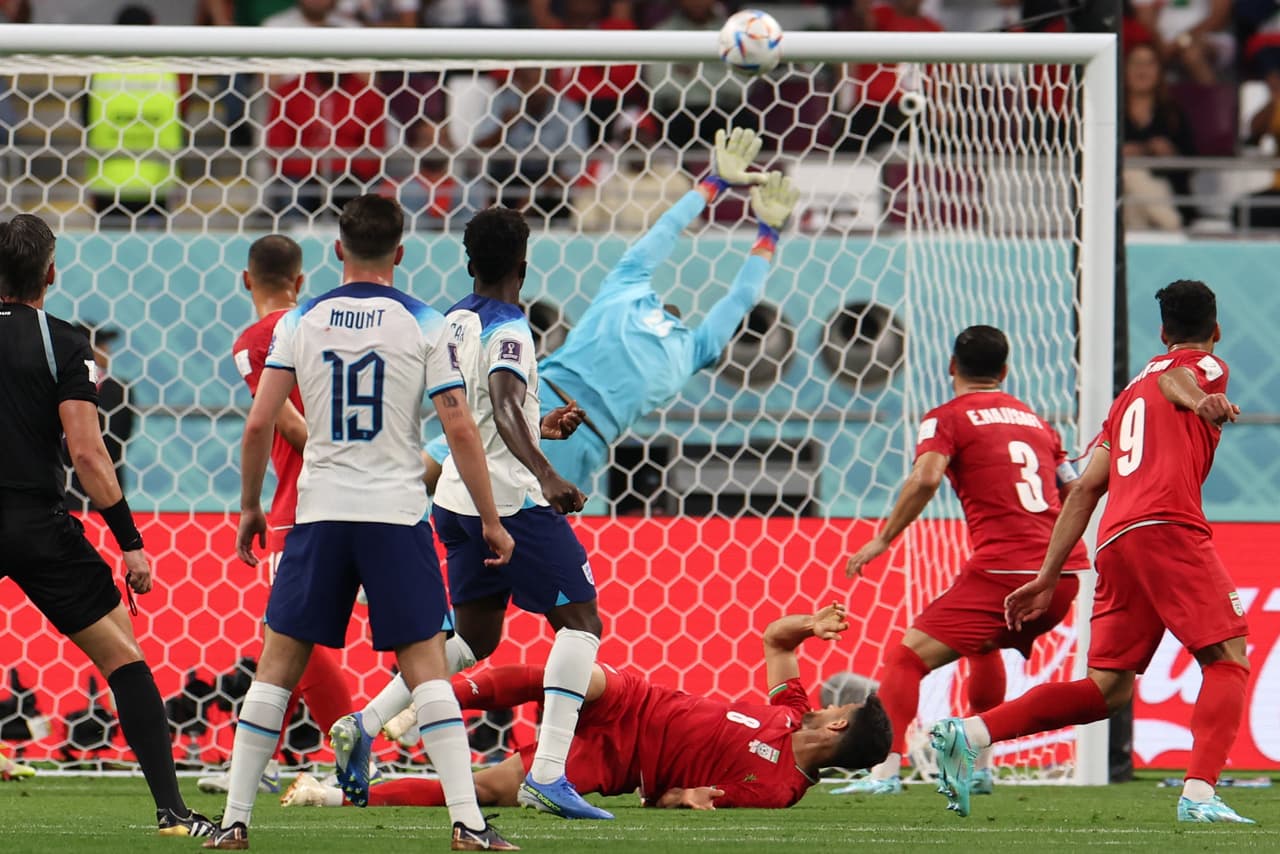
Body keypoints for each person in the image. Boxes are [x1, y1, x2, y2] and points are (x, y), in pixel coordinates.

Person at [203, 194, 518, 851]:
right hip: (394, 516)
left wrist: (252, 507)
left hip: (319, 513)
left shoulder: (302, 319)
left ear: (337, 249)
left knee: (276, 668)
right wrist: (490, 517)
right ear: (400, 251)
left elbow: (259, 423)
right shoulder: (426, 322)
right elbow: (460, 426)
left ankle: (234, 824)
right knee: (427, 669)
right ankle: (467, 825)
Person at [930, 280, 1254, 825]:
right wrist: (1202, 400)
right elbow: (1177, 377)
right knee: (1228, 658)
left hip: (1117, 540)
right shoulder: (1203, 367)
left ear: (1161, 331)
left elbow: (1083, 489)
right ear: (1215, 331)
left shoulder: (1126, 399)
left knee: (1107, 689)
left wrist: (1046, 575)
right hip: (1168, 527)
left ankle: (972, 732)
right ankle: (1199, 795)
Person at [331, 205, 611, 821]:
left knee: (476, 636)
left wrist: (539, 426)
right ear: (523, 265)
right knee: (582, 624)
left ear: (467, 263)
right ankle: (547, 774)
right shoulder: (511, 329)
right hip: (510, 504)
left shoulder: (452, 319)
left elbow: (482, 413)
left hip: (456, 501)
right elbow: (504, 404)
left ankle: (365, 722)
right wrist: (547, 472)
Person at [422, 128, 800, 502]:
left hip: (581, 438)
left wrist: (769, 233)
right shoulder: (629, 283)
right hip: (539, 401)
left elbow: (742, 298)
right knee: (432, 472)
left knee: (512, 522)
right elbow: (668, 228)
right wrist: (712, 184)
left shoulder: (696, 346)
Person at [0, 214, 213, 837]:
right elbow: (89, 454)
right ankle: (172, 812)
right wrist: (130, 541)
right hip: (38, 526)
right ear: (51, 273)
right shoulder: (67, 345)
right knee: (124, 657)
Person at [282, 603, 893, 811]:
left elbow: (675, 800)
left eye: (840, 704)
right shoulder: (792, 710)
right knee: (564, 671)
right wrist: (810, 625)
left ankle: (327, 795)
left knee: (488, 789)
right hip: (641, 699)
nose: (828, 700)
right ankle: (426, 701)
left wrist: (686, 798)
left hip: (622, 759)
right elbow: (776, 641)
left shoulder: (779, 789)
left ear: (839, 723)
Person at [833, 326, 1091, 796]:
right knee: (983, 645)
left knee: (906, 659)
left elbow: (926, 478)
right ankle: (978, 769)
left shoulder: (945, 418)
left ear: (951, 367)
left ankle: (884, 773)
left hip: (1005, 572)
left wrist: (884, 538)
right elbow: (1075, 489)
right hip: (1064, 577)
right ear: (1005, 371)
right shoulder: (1039, 423)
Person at [195, 235, 357, 796]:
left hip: (303, 500)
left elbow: (281, 422)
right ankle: (261, 763)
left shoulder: (257, 339)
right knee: (284, 636)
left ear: (246, 280)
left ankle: (357, 757)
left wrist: (253, 503)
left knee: (287, 634)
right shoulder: (327, 325)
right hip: (364, 495)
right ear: (301, 279)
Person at [85, 6, 183, 225]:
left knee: (109, 245)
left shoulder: (99, 72)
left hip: (109, 182)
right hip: (156, 183)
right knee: (154, 246)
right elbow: (180, 121)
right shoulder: (167, 73)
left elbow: (86, 120)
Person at [64, 324, 134, 513]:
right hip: (102, 493)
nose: (108, 351)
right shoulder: (117, 390)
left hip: (92, 490)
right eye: (102, 345)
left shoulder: (118, 389)